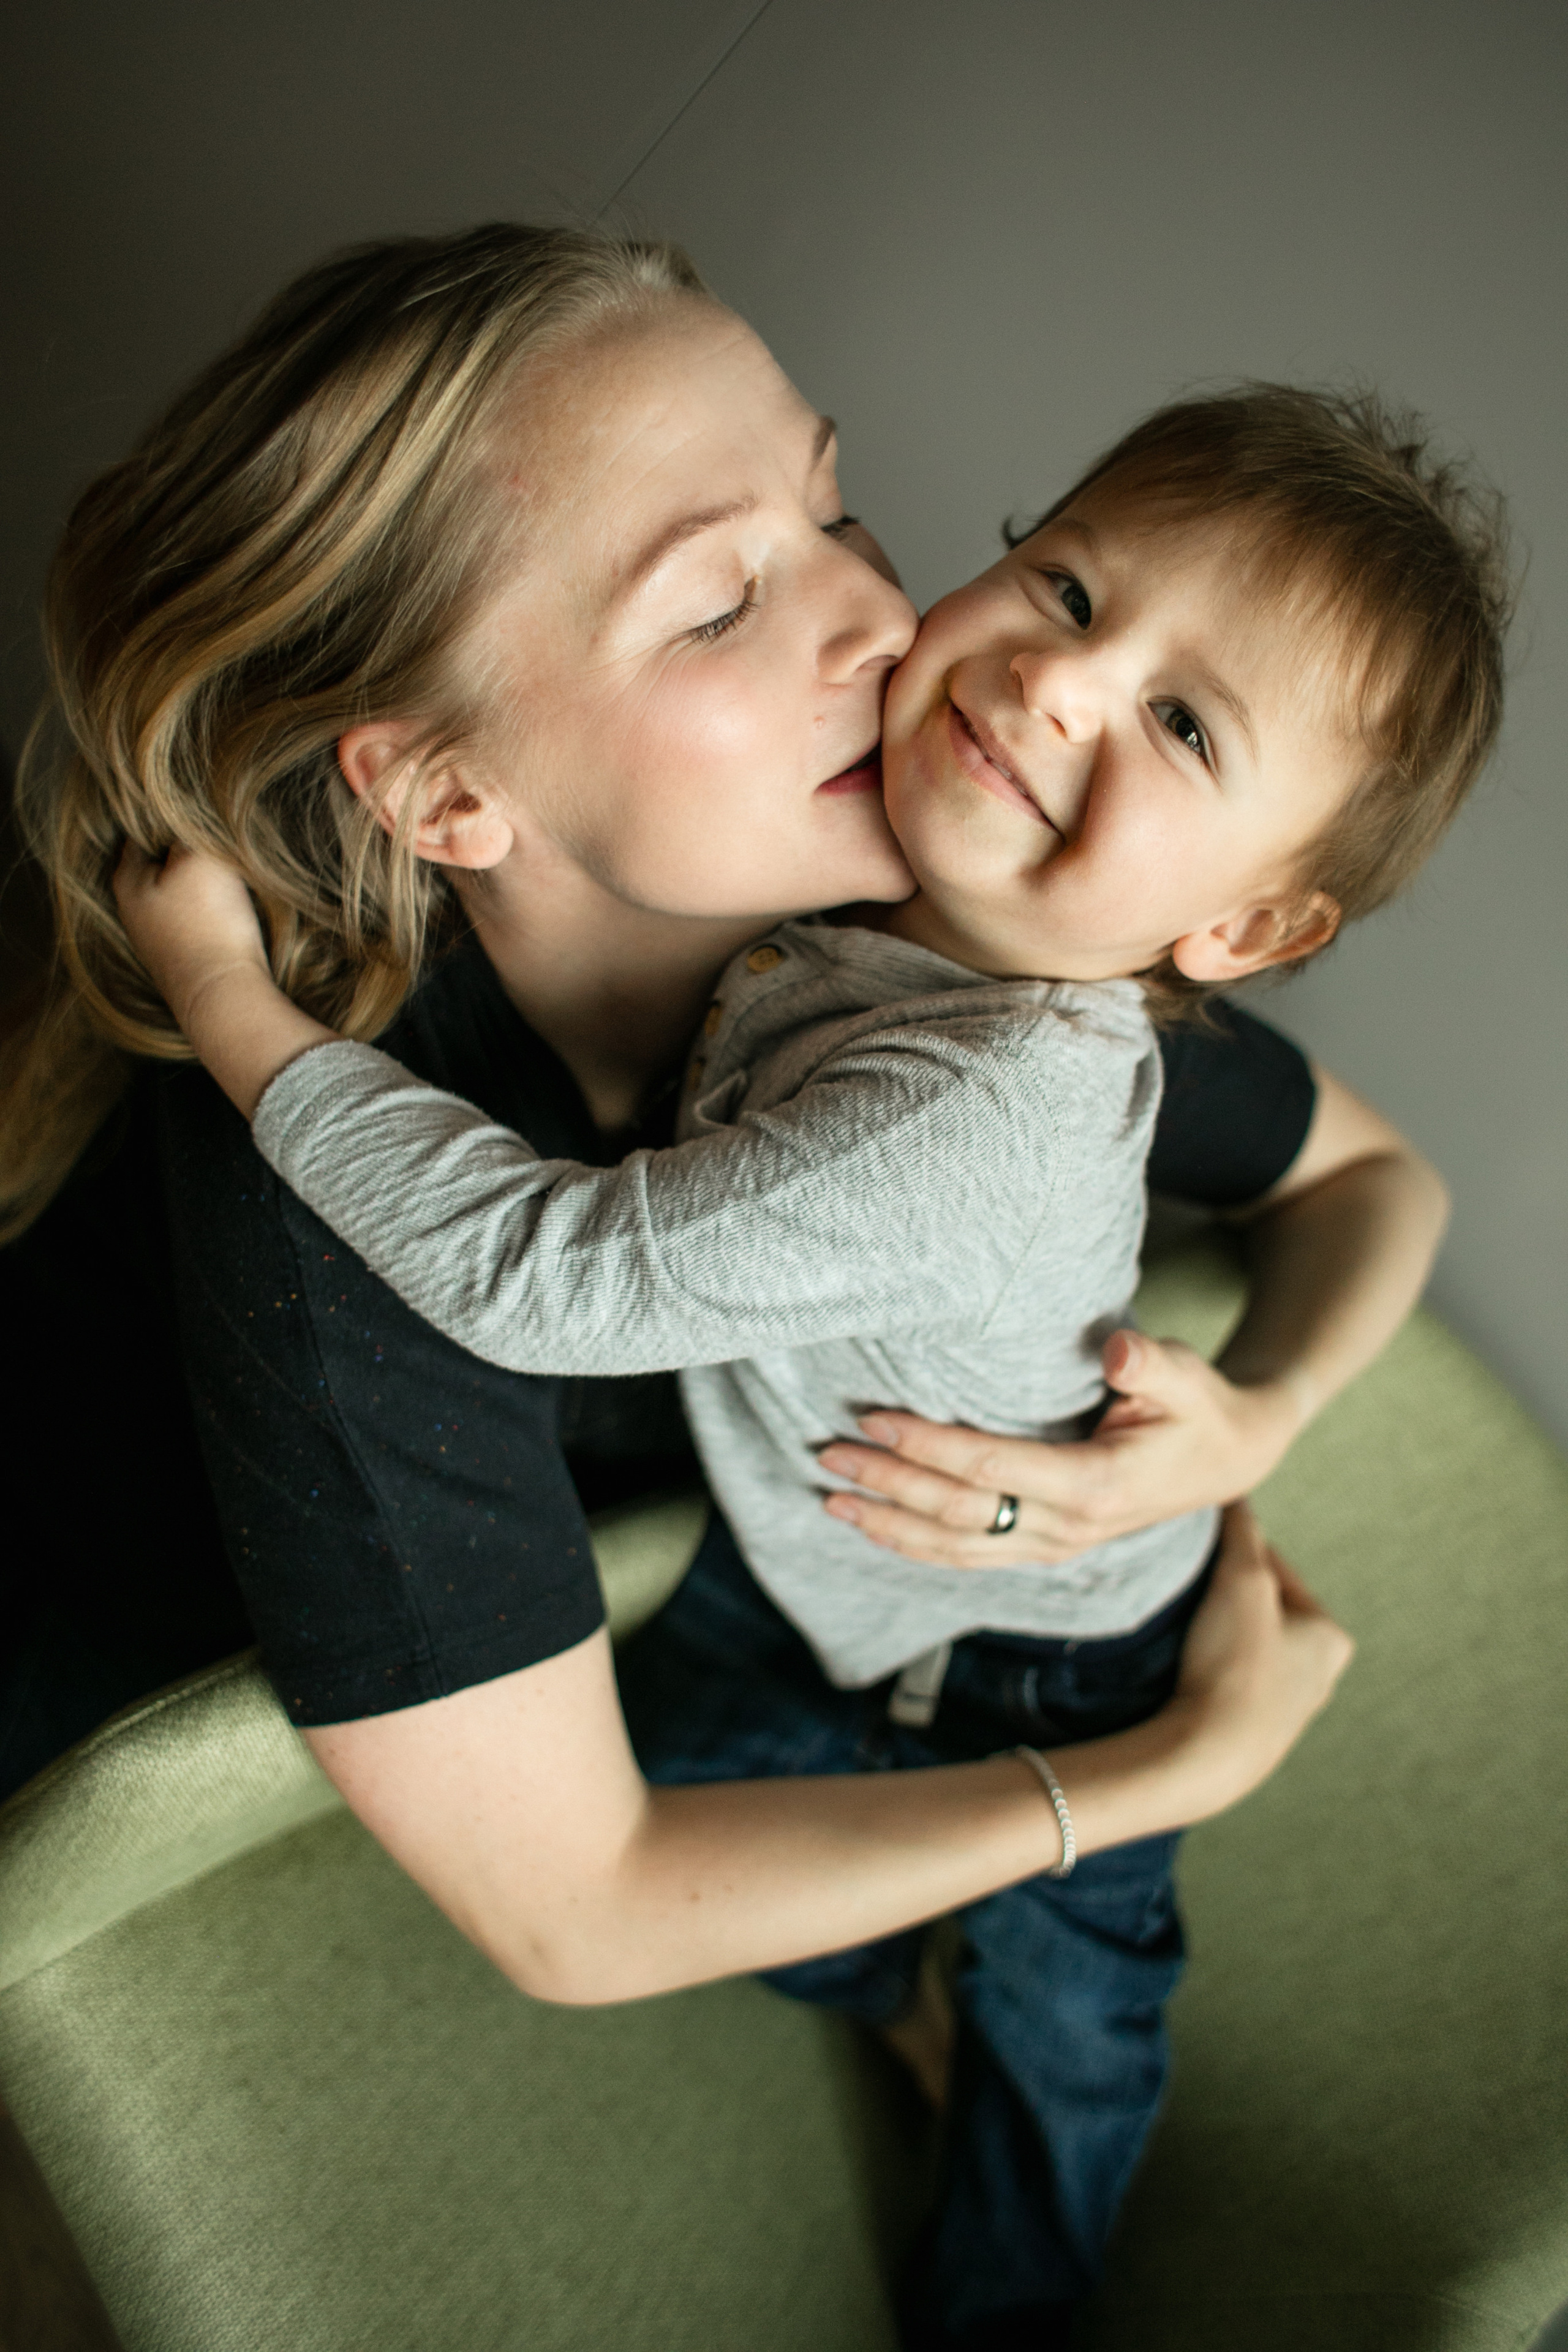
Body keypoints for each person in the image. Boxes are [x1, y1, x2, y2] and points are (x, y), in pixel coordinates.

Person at [4, 223, 1373, 2328]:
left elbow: (1375, 1185)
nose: (882, 623)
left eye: (836, 507)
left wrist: (1249, 1420)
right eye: (723, 600)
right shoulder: (347, 1207)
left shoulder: (927, 933)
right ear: (449, 792)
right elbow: (581, 1915)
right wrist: (1169, 1774)